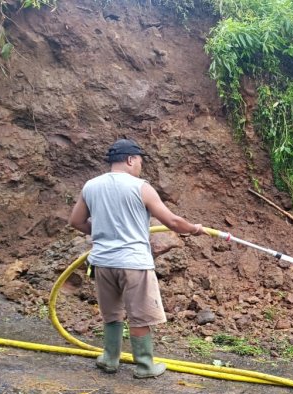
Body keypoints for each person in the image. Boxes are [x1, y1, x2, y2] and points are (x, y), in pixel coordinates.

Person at [68, 139, 208, 378]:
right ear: (130, 160)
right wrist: (195, 229)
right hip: (133, 263)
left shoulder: (90, 186)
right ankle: (144, 366)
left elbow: (76, 222)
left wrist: (104, 231)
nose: (140, 167)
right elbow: (172, 222)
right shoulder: (140, 186)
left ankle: (110, 360)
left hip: (103, 262)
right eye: (140, 162)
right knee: (139, 315)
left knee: (111, 313)